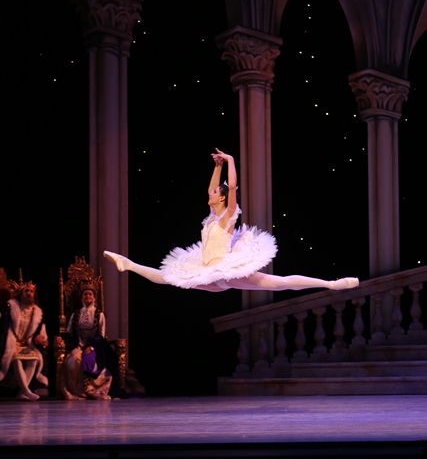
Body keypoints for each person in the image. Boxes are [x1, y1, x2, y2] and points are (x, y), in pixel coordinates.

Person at [104, 149, 359, 293]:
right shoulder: (212, 217)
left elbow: (232, 185)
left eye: (216, 193)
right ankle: (129, 265)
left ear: (223, 199)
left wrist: (230, 161)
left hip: (228, 270)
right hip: (210, 272)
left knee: (280, 283)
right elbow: (212, 188)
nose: (211, 193)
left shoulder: (228, 215)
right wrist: (216, 167)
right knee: (169, 277)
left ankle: (331, 284)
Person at [55, 286, 123, 400]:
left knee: (88, 358)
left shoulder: (99, 314)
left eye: (90, 294)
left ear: (94, 297)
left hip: (95, 346)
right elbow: (69, 332)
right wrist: (61, 338)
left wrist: (91, 347)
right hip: (78, 344)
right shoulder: (75, 314)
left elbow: (100, 335)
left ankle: (89, 389)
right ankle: (77, 391)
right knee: (74, 359)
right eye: (85, 294)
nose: (88, 296)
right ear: (82, 297)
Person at [0, 281, 49, 401]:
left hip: (26, 344)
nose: (29, 293)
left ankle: (22, 392)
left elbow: (40, 331)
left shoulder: (37, 312)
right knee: (16, 359)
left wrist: (40, 337)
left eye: (31, 291)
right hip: (10, 343)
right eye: (26, 291)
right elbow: (3, 325)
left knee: (34, 360)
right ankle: (27, 391)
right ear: (21, 294)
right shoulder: (10, 308)